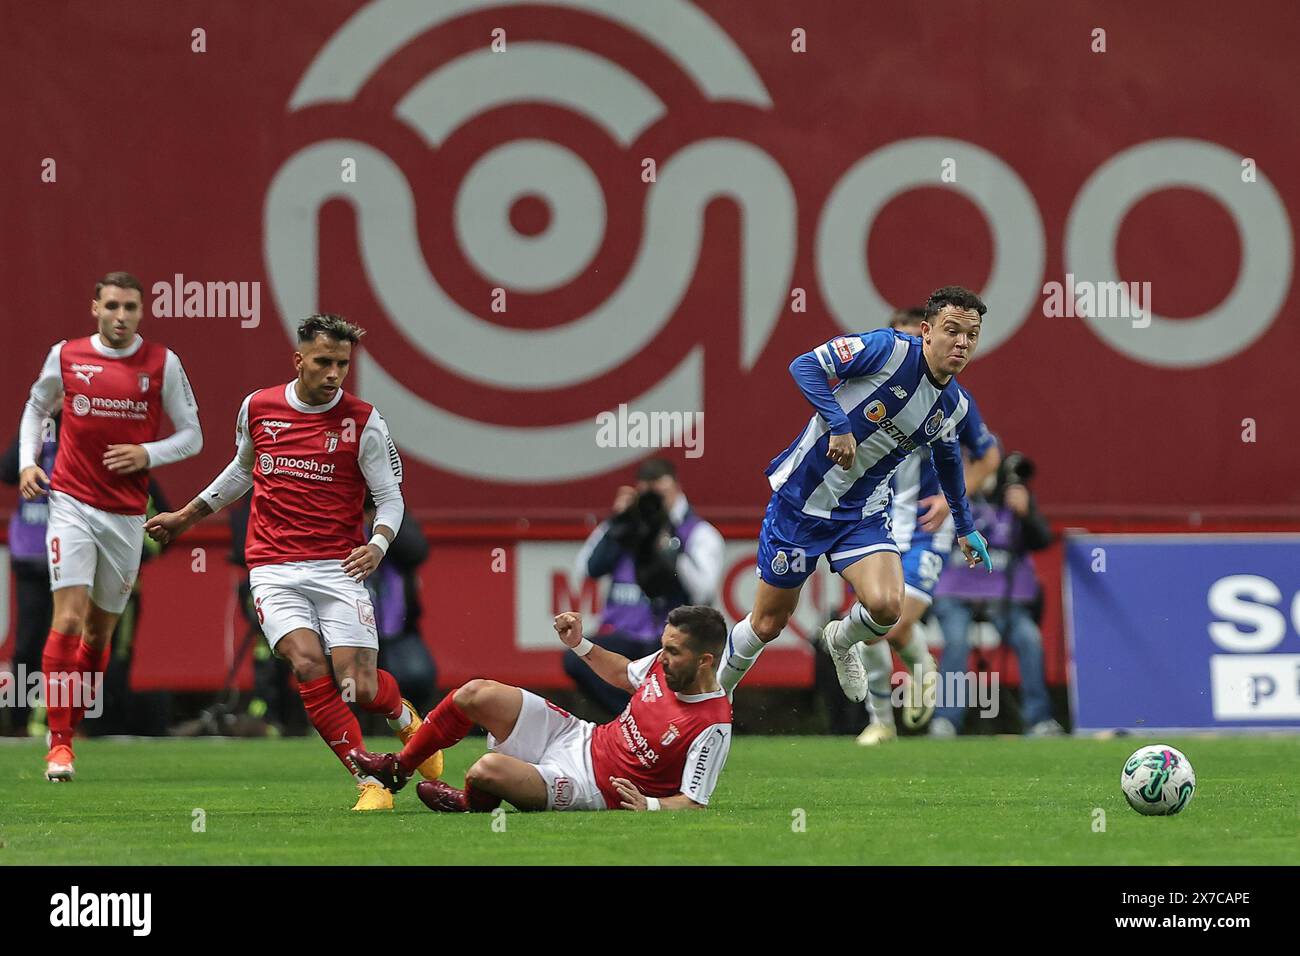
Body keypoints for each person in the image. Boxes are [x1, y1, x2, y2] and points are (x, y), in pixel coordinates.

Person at [145, 313, 440, 810]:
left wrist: (378, 543)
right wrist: (184, 517)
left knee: (359, 685)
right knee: (306, 664)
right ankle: (369, 781)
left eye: (342, 364)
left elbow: (390, 496)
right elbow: (243, 471)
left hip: (338, 567)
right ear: (298, 360)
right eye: (323, 362)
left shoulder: (364, 421)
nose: (333, 374)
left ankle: (402, 714)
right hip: (274, 567)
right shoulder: (258, 407)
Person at [716, 286, 993, 704]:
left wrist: (966, 527)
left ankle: (841, 641)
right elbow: (804, 365)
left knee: (886, 607)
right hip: (802, 503)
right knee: (767, 624)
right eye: (952, 330)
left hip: (861, 513)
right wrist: (838, 425)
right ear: (926, 331)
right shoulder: (886, 349)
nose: (962, 342)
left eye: (971, 335)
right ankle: (716, 698)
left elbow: (949, 461)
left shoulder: (954, 405)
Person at [17, 272, 203, 780]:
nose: (121, 316)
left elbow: (192, 436)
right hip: (71, 502)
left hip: (126, 516)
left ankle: (70, 723)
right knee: (69, 619)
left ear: (141, 312)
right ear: (95, 306)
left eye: (131, 308)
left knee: (99, 635)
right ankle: (59, 743)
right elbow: (36, 406)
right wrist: (27, 463)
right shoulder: (68, 355)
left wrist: (147, 451)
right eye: (113, 306)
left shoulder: (163, 363)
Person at [349, 606, 732, 813]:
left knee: (486, 771)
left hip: (591, 787)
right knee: (475, 693)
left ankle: (467, 802)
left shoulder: (711, 723)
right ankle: (399, 767)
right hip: (580, 735)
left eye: (674, 651)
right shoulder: (665, 665)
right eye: (663, 646)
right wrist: (580, 644)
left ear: (705, 661)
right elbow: (621, 673)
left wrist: (649, 805)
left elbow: (693, 801)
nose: (663, 657)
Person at [855, 308, 1001, 745]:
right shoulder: (868, 391)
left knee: (893, 624)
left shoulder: (951, 398)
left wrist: (951, 499)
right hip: (869, 522)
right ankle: (880, 721)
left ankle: (921, 664)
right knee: (869, 625)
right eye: (895, 341)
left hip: (923, 526)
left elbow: (988, 456)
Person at [565, 458, 724, 717]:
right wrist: (618, 521)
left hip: (670, 637)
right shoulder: (626, 526)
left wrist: (671, 545)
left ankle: (656, 721)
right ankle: (637, 719)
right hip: (623, 634)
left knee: (681, 670)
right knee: (576, 659)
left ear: (675, 488)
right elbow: (587, 569)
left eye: (660, 494)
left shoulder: (697, 532)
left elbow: (703, 591)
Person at [928, 452, 1064, 737]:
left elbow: (1041, 540)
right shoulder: (947, 494)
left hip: (1005, 596)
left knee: (1029, 638)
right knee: (956, 641)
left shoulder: (1013, 495)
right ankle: (946, 721)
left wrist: (1027, 513)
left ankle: (1038, 720)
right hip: (956, 591)